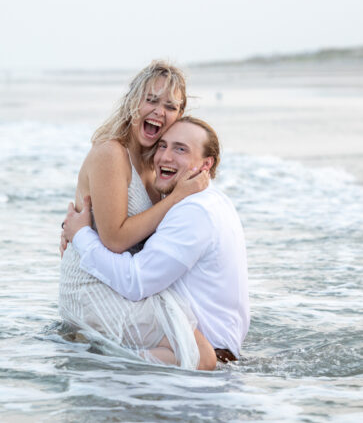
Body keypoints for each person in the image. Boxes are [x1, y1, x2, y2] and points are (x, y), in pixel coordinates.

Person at [58, 61, 215, 370]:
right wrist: (177, 198)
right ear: (133, 103)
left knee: (200, 344)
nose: (159, 111)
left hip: (122, 281)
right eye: (151, 100)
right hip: (93, 286)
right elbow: (115, 238)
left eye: (170, 106)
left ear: (179, 116)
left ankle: (126, 384)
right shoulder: (111, 153)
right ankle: (104, 365)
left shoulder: (154, 161)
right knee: (200, 356)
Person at [63, 117, 250, 362]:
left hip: (197, 357)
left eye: (180, 149)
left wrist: (81, 237)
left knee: (102, 370)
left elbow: (135, 282)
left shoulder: (194, 212)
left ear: (206, 164)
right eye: (162, 146)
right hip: (200, 349)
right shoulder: (210, 201)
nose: (165, 157)